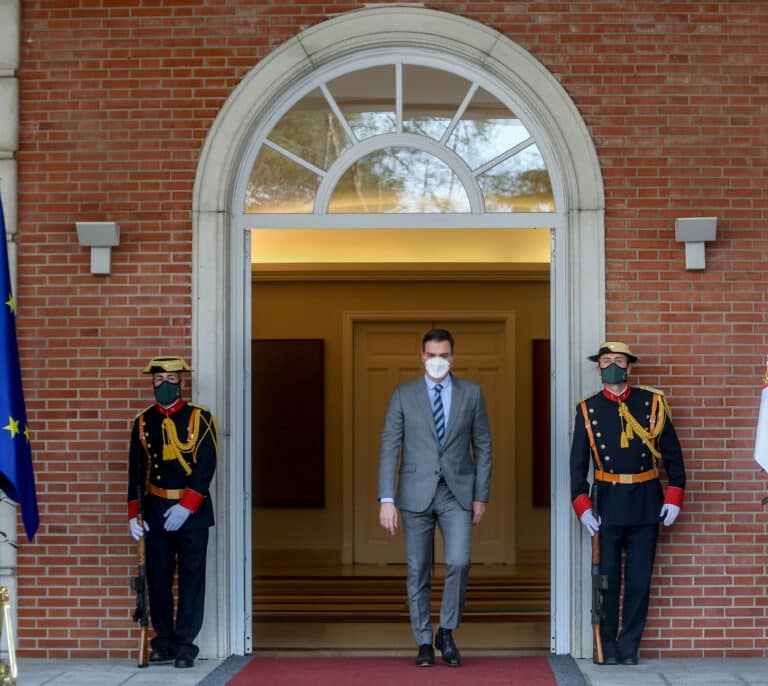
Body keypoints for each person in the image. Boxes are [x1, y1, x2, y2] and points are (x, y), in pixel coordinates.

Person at [378, 329, 492, 667]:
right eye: (431, 355)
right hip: (414, 494)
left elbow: (483, 445)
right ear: (422, 356)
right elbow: (389, 446)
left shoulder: (472, 393)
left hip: (457, 493)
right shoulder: (403, 394)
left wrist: (481, 495)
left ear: (453, 356)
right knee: (418, 570)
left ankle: (447, 630)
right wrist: (386, 498)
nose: (437, 360)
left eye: (444, 354)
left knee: (458, 561)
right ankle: (424, 641)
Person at [570, 342, 686, 666]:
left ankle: (629, 646)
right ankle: (605, 647)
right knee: (606, 582)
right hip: (606, 505)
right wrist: (582, 506)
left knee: (638, 582)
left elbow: (674, 458)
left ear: (629, 367)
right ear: (598, 369)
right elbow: (577, 465)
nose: (612, 366)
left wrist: (674, 495)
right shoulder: (587, 409)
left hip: (646, 502)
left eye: (618, 361)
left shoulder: (653, 404)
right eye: (606, 361)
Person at [127, 356, 218, 669]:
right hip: (155, 508)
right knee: (158, 577)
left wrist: (187, 505)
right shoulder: (143, 421)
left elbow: (206, 465)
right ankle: (163, 642)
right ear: (151, 382)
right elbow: (135, 472)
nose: (164, 384)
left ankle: (185, 645)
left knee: (192, 579)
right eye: (158, 379)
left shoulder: (200, 418)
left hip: (192, 511)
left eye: (171, 378)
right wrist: (133, 514)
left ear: (182, 381)